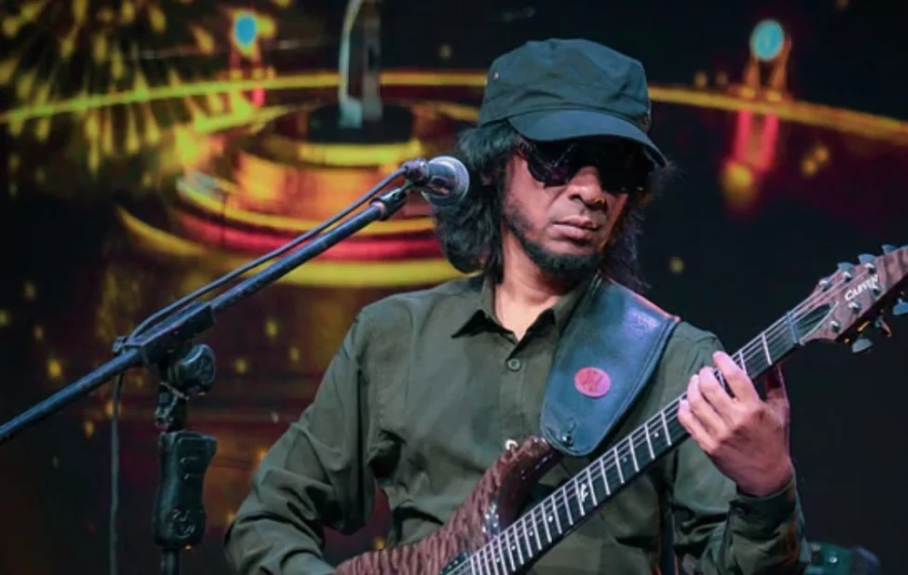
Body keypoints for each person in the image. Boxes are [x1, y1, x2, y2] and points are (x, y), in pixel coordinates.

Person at [224, 38, 809, 575]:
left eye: (617, 169)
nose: (590, 191)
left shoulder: (679, 362)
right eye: (559, 158)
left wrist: (767, 489)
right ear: (493, 164)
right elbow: (266, 522)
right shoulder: (392, 338)